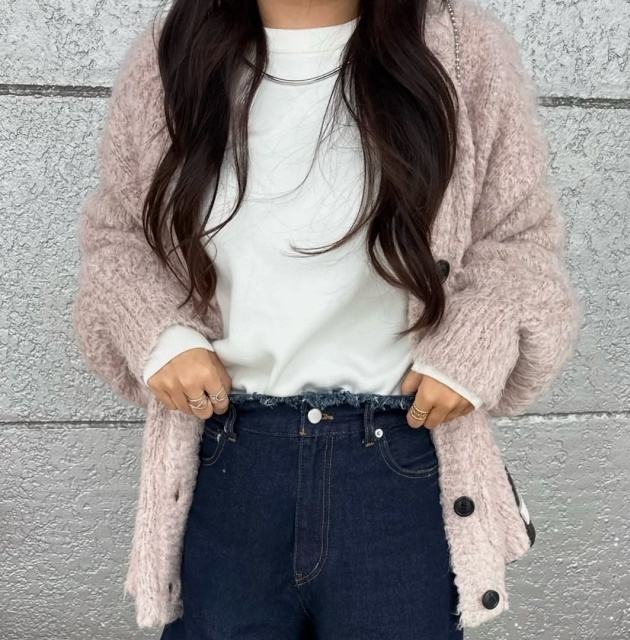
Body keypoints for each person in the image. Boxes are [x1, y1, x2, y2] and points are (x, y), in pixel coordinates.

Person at [73, 0, 581, 637]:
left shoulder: (460, 48)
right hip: (230, 458)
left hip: (398, 463)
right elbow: (119, 236)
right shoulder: (173, 53)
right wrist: (160, 334)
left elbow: (520, 239)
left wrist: (475, 342)